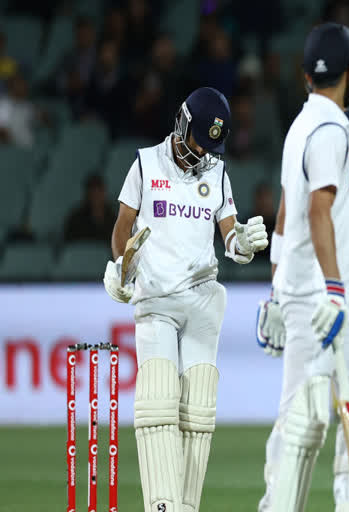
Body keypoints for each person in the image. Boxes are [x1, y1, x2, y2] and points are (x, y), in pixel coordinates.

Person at [102, 86, 269, 512]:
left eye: (209, 145)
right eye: (198, 139)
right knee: (158, 401)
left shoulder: (216, 172)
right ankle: (162, 506)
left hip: (202, 297)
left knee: (197, 413)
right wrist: (123, 262)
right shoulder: (145, 163)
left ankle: (184, 508)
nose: (200, 152)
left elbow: (229, 234)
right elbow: (123, 225)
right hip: (156, 297)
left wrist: (243, 243)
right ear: (182, 122)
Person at [255, 23, 349, 512]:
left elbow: (285, 210)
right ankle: (295, 503)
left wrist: (277, 287)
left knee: (336, 401)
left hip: (303, 288)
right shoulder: (330, 130)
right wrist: (334, 291)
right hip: (324, 293)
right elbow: (315, 210)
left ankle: (321, 500)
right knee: (333, 408)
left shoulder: (302, 125)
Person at [63, 174, 117, 244]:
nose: (96, 198)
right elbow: (70, 246)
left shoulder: (113, 220)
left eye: (98, 193)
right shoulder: (75, 221)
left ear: (104, 193)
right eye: (93, 193)